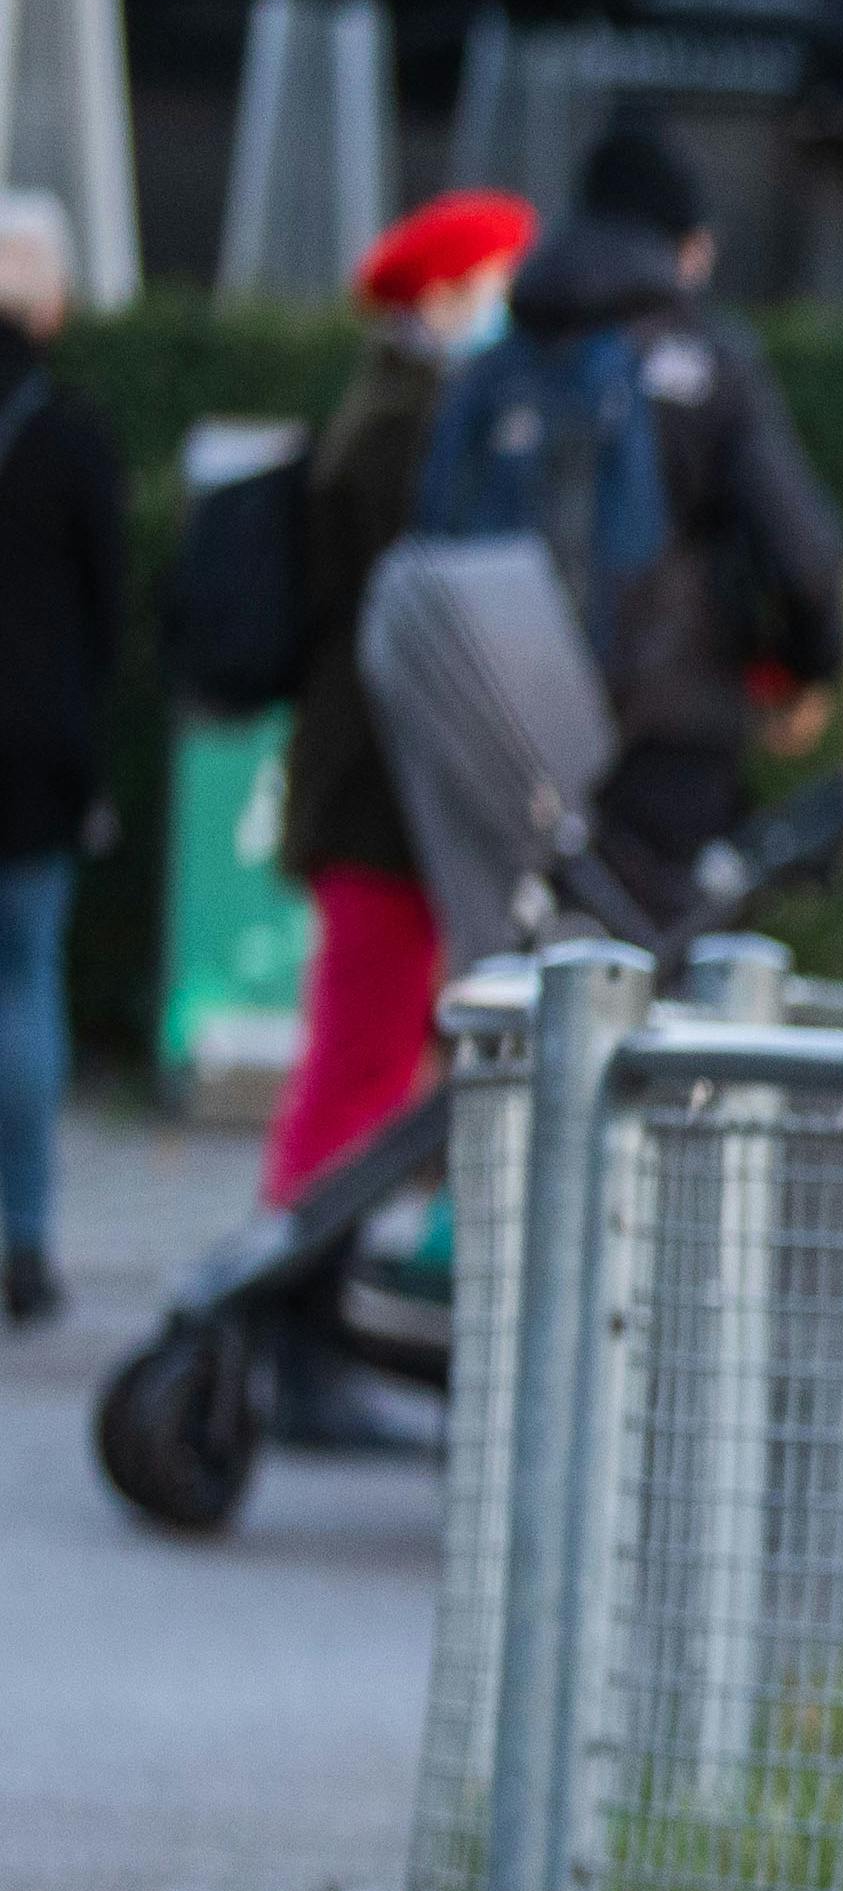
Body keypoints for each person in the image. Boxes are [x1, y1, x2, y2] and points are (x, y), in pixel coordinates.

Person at [430, 124, 843, 926]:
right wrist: (809, 667)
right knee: (664, 975)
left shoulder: (493, 367)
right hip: (669, 736)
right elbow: (803, 556)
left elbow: (430, 545)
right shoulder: (708, 361)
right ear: (685, 244)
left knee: (518, 971)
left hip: (506, 736)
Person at [261, 190, 532, 1220]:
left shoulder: (398, 411)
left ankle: (312, 1249)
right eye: (497, 286)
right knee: (361, 1059)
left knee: (379, 1050)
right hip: (378, 799)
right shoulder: (408, 429)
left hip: (380, 792)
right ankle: (293, 1259)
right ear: (449, 295)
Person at [0, 192, 120, 1332]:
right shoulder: (76, 431)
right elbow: (107, 613)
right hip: (35, 752)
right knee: (26, 985)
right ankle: (25, 1238)